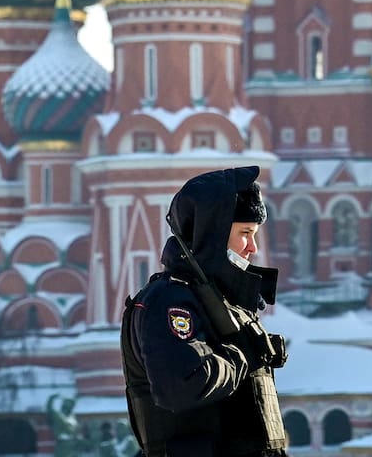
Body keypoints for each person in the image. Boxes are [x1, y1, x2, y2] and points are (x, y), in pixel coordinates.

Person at [121, 166, 289, 457]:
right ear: (212, 233)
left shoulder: (224, 301)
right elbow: (181, 384)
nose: (253, 247)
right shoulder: (169, 302)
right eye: (245, 233)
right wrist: (244, 355)